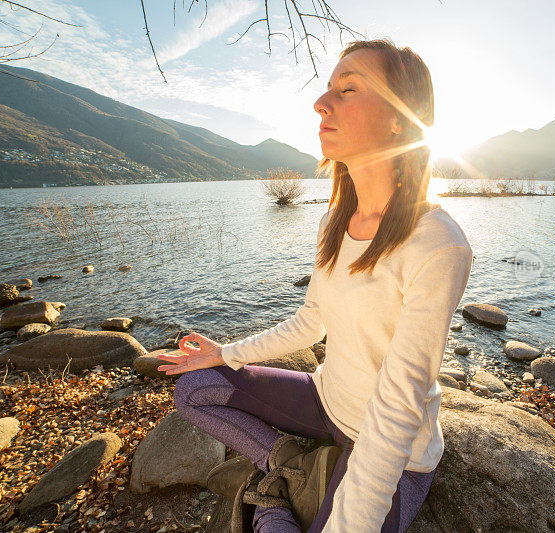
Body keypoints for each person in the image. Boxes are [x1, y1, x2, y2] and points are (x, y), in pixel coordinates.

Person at [157, 38, 473, 532]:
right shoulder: (334, 220)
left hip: (393, 449)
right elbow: (311, 319)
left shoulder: (438, 244)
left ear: (400, 118)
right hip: (326, 404)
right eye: (328, 88)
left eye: (348, 89)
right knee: (196, 386)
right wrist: (226, 353)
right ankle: (284, 464)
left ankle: (274, 504)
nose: (321, 103)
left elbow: (398, 401)